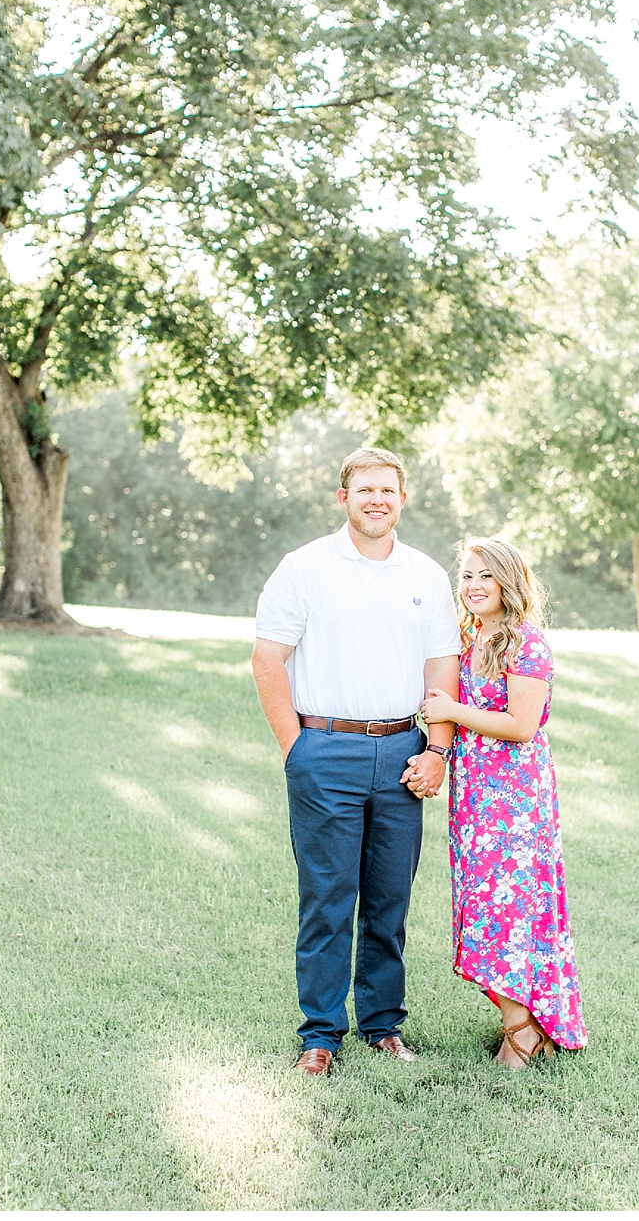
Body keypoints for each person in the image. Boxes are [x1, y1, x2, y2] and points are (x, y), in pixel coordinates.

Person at [251, 448, 462, 1075]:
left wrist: (438, 749)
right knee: (327, 898)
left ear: (403, 497)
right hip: (325, 750)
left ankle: (382, 1026)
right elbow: (268, 659)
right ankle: (320, 1034)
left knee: (389, 900)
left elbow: (442, 668)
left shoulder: (425, 575)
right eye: (364, 490)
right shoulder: (304, 567)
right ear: (343, 498)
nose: (377, 499)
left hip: (403, 750)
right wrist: (297, 749)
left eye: (387, 490)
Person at [417, 536, 587, 1066]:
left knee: (507, 907)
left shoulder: (525, 644)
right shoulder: (471, 643)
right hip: (475, 797)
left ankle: (524, 1030)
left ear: (509, 582)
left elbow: (520, 725)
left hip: (514, 800)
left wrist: (451, 709)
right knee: (483, 907)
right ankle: (525, 1017)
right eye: (466, 575)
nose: (472, 586)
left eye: (485, 576)